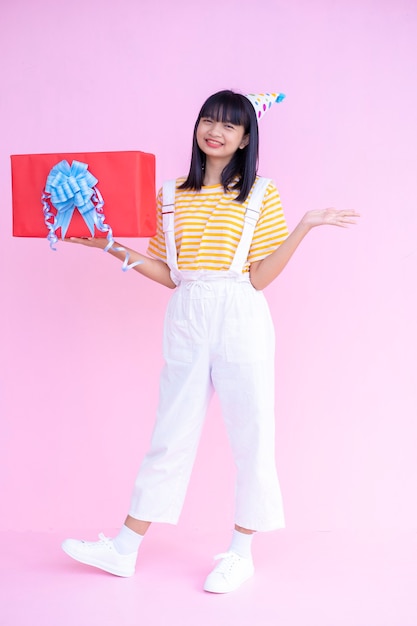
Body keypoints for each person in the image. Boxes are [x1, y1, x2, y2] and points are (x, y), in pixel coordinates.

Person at [62, 90, 359, 593]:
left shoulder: (261, 193)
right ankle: (124, 549)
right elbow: (172, 274)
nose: (214, 131)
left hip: (240, 310)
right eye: (207, 120)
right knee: (170, 431)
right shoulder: (171, 193)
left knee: (252, 432)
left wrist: (305, 226)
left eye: (229, 125)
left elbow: (260, 277)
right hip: (187, 312)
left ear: (246, 138)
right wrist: (110, 245)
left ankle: (240, 552)